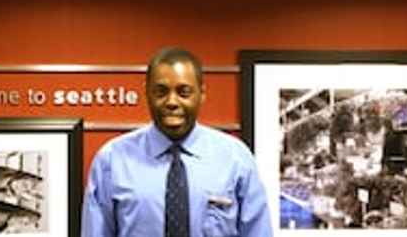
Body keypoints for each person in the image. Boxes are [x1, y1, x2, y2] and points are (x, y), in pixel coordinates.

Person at [81, 47, 273, 237]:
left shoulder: (235, 159)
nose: (172, 102)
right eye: (161, 92)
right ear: (147, 93)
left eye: (184, 92)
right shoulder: (112, 161)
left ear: (202, 94)